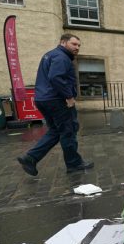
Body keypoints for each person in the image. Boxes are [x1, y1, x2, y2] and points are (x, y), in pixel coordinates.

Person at [17, 34, 93, 175]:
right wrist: (68, 96)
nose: (77, 47)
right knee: (68, 130)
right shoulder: (61, 57)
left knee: (56, 131)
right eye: (74, 44)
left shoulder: (50, 55)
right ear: (63, 42)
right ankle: (73, 164)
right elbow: (55, 77)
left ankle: (31, 158)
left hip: (43, 99)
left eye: (79, 45)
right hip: (57, 100)